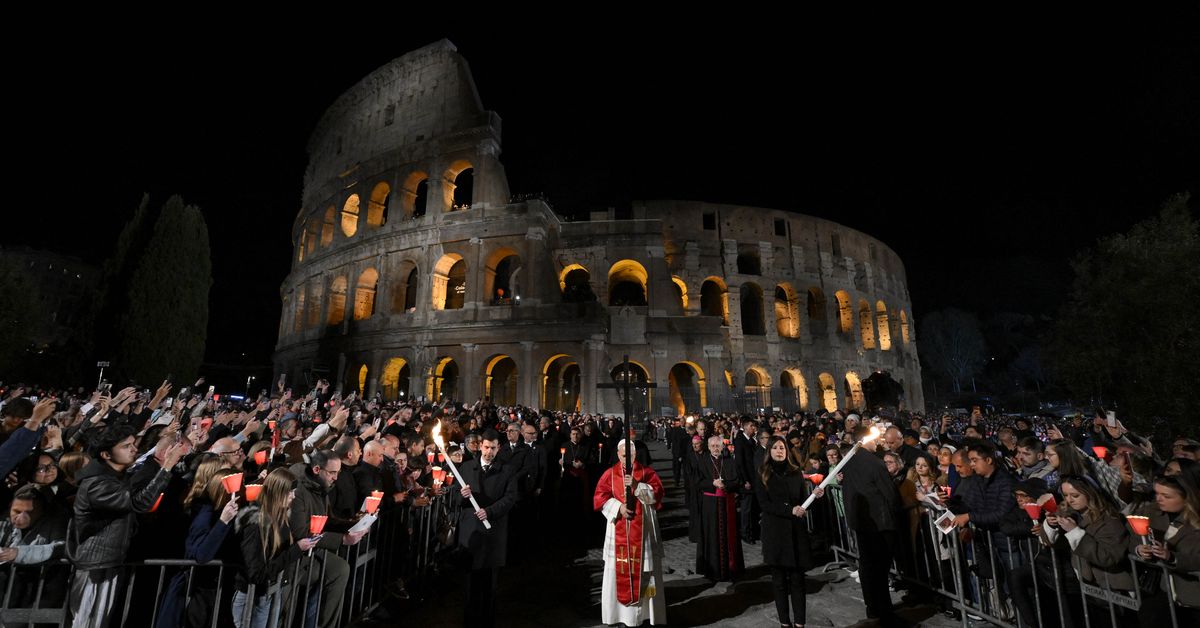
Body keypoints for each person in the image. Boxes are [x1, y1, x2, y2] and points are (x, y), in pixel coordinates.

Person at [68, 424, 184, 628]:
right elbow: (140, 502)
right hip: (95, 566)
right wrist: (167, 466)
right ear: (106, 454)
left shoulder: (118, 477)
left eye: (133, 444)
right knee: (86, 623)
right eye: (125, 446)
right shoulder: (98, 484)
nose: (133, 449)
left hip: (110, 562)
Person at [593, 438, 666, 626]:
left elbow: (657, 495)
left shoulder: (646, 472)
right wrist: (619, 508)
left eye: (631, 455)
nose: (627, 458)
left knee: (644, 572)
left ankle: (644, 616)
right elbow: (600, 497)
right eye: (624, 455)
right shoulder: (610, 474)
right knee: (617, 571)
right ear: (618, 454)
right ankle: (618, 615)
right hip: (618, 528)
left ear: (636, 455)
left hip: (643, 533)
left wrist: (636, 485)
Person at [837, 426, 902, 626]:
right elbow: (890, 495)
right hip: (880, 524)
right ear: (866, 441)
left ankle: (873, 608)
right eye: (875, 440)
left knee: (867, 567)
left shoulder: (849, 462)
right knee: (879, 571)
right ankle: (885, 613)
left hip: (861, 523)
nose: (878, 442)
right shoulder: (875, 463)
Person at [755, 436, 822, 628]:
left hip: (795, 533)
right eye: (775, 447)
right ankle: (785, 623)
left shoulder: (795, 473)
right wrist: (788, 510)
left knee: (797, 580)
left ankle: (800, 623)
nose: (779, 451)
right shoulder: (762, 473)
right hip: (775, 533)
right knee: (779, 582)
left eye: (782, 447)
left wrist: (814, 496)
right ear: (769, 451)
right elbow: (764, 504)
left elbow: (802, 502)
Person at [457, 429, 518, 628]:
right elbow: (456, 501)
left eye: (493, 448)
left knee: (488, 585)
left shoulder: (507, 470)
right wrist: (461, 494)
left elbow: (510, 498)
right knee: (470, 585)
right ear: (480, 445)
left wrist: (489, 511)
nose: (489, 452)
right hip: (470, 535)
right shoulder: (466, 468)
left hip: (493, 535)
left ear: (498, 448)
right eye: (486, 447)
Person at [693, 435, 744, 581]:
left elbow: (737, 481)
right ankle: (712, 570)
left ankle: (731, 568)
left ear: (723, 447)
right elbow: (697, 481)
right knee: (711, 535)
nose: (716, 448)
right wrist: (712, 483)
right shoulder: (702, 461)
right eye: (713, 446)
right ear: (708, 447)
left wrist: (726, 484)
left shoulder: (729, 461)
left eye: (718, 445)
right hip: (710, 505)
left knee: (729, 535)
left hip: (727, 503)